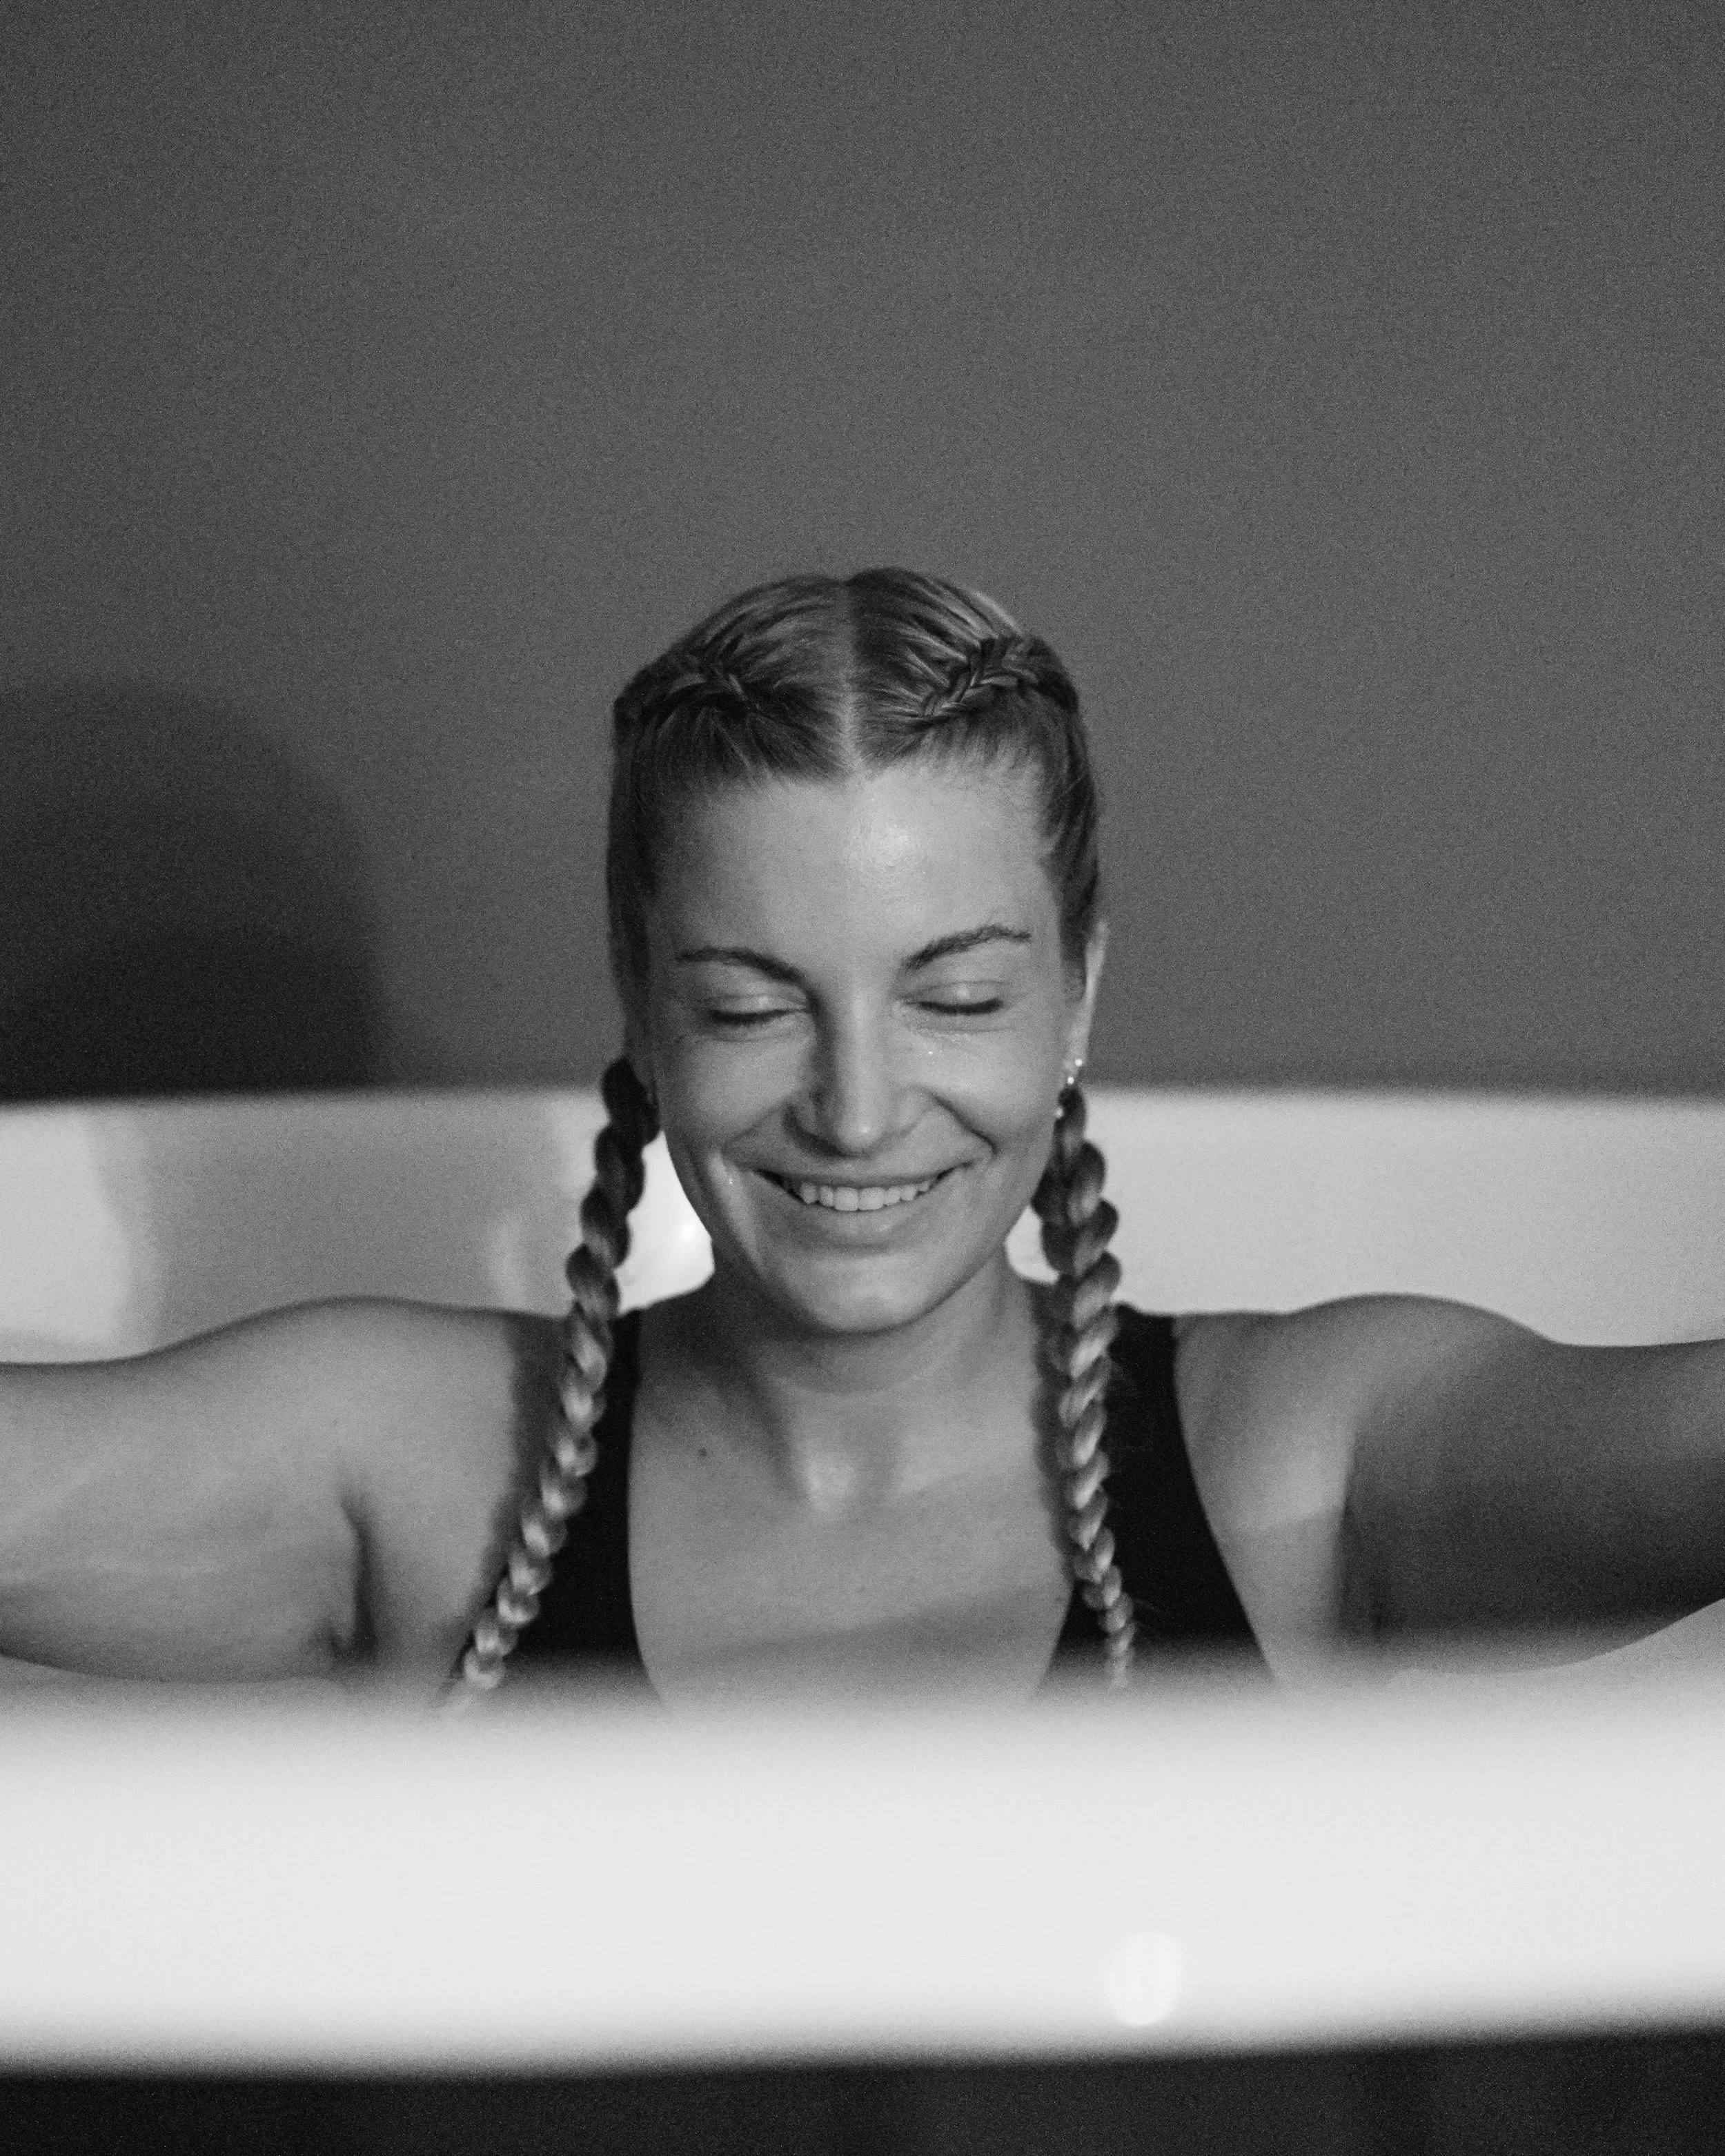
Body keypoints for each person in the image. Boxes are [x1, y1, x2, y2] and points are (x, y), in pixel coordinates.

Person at [3, 568, 1723, 1705]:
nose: (855, 1106)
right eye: (750, 1004)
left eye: (954, 996)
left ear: (1077, 988)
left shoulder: (1298, 1452)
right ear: (640, 998)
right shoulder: (421, 1459)